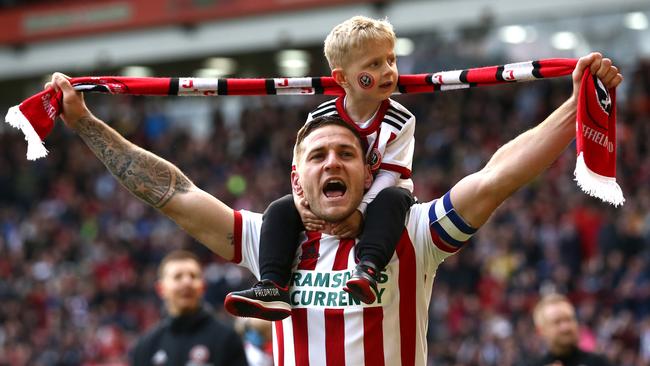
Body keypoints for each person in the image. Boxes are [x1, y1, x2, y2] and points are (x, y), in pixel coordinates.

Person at [46, 51, 621, 365]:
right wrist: (86, 124)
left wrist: (576, 106)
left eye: (346, 152)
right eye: (317, 154)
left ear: (369, 171)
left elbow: (498, 175)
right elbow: (173, 192)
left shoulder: (413, 233)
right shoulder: (268, 238)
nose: (332, 163)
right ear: (297, 177)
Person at [225, 15, 416, 320]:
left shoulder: (401, 119)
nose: (388, 71)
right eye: (374, 64)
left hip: (381, 195)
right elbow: (301, 161)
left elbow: (391, 175)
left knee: (392, 202)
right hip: (332, 198)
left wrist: (361, 212)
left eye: (391, 60)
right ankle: (272, 284)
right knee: (279, 209)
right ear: (342, 78)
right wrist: (303, 203)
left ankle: (367, 269)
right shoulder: (322, 114)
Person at [129, 250, 248, 366]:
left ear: (203, 287)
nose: (187, 282)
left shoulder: (227, 339)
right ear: (161, 289)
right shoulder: (145, 347)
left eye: (193, 276)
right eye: (178, 277)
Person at [526, 293, 612, 366]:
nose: (565, 327)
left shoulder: (599, 363)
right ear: (540, 331)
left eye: (569, 319)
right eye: (557, 322)